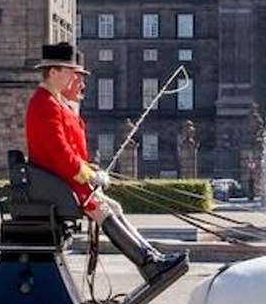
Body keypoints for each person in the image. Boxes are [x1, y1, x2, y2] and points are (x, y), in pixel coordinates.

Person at [24, 42, 186, 281]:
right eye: (69, 72)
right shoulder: (45, 104)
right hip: (60, 186)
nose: (73, 78)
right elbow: (60, 153)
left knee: (113, 208)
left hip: (63, 182)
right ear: (54, 71)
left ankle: (150, 258)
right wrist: (89, 175)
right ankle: (149, 263)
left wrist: (90, 170)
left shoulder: (52, 102)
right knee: (102, 209)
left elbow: (66, 153)